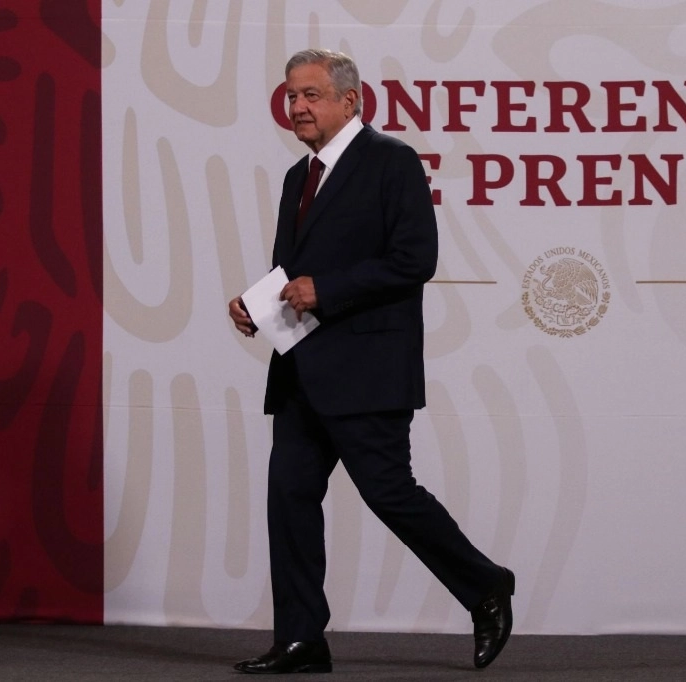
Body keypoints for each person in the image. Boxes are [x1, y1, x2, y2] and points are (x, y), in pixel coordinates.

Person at [227, 48, 514, 674]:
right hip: (300, 370)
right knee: (289, 500)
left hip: (367, 371)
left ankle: (486, 584)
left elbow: (415, 259)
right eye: (291, 96)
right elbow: (291, 273)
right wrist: (256, 306)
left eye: (310, 95)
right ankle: (302, 639)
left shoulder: (392, 161)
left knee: (389, 494)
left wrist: (326, 290)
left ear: (349, 100)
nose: (297, 106)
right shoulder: (297, 177)